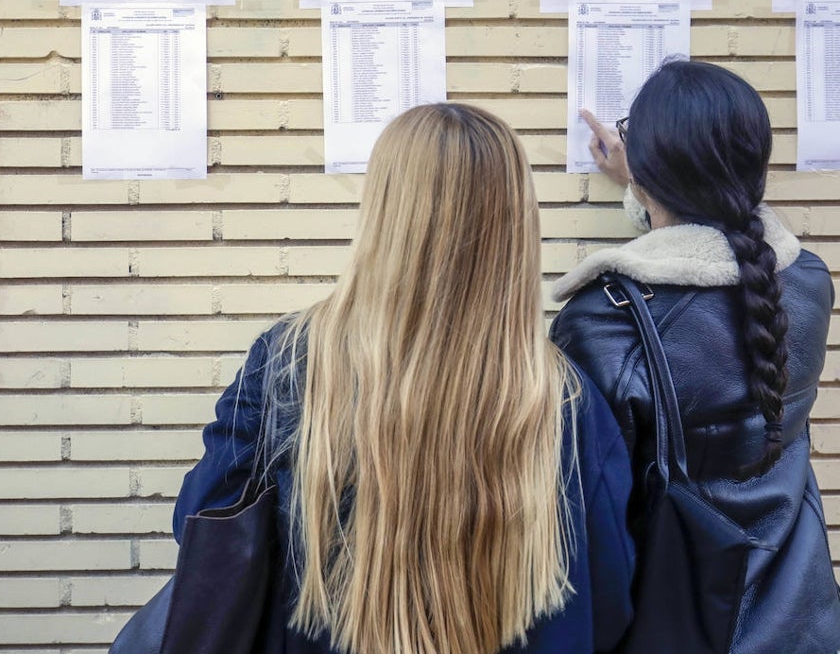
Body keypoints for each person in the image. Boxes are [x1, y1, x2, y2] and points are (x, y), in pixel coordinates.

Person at [174, 102, 634, 654]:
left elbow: (203, 525)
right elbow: (609, 597)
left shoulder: (291, 361)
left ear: (383, 209)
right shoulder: (561, 396)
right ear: (516, 224)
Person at [551, 60, 840, 654]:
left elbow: (583, 523)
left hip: (680, 624)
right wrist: (647, 186)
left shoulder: (602, 324)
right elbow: (718, 242)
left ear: (650, 171)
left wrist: (644, 186)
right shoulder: (808, 281)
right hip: (802, 613)